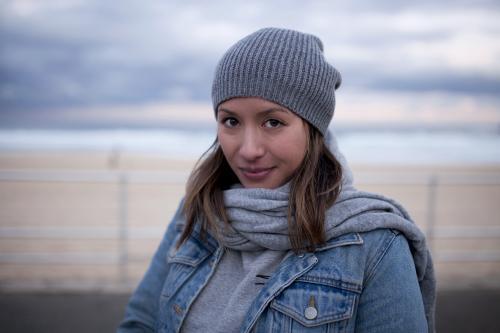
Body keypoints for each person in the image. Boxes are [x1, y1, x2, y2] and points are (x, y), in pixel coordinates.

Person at [118, 27, 436, 333]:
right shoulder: (196, 212)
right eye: (231, 121)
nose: (249, 150)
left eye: (273, 121)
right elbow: (141, 324)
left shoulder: (376, 245)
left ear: (313, 129)